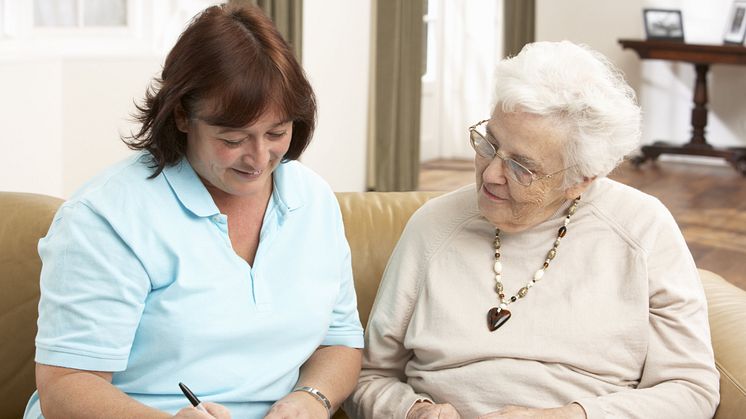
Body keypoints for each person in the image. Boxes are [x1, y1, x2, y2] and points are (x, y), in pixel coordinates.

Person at [345, 41, 719, 419]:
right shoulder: (433, 225)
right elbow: (365, 376)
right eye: (489, 144)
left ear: (581, 180)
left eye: (522, 167)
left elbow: (690, 391)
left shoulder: (642, 230)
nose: (491, 174)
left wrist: (566, 417)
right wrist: (414, 412)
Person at [24, 4, 363, 419]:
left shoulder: (313, 201)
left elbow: (339, 341)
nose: (259, 158)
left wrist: (311, 399)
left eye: (276, 132)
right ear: (182, 115)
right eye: (234, 138)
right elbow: (66, 384)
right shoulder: (106, 217)